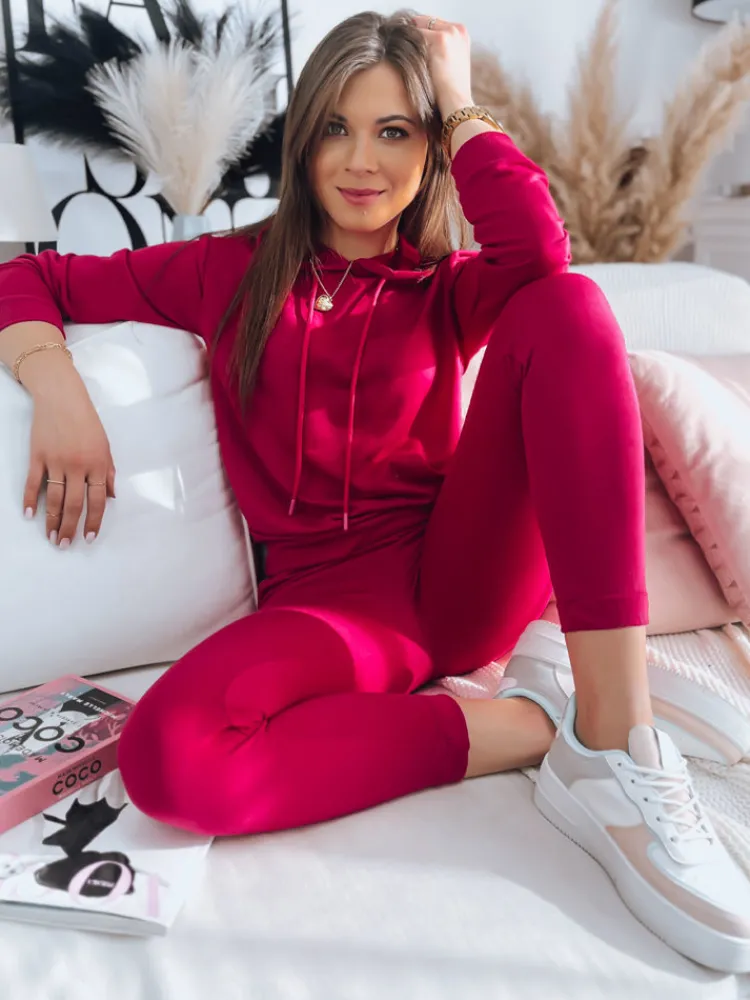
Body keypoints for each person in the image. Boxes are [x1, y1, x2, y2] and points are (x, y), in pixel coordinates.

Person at [0, 9, 748, 973]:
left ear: (431, 147)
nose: (362, 161)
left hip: (464, 577)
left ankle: (619, 735)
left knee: (568, 306)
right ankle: (535, 726)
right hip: (329, 608)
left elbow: (542, 254)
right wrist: (58, 392)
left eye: (396, 130)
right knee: (168, 762)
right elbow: (30, 279)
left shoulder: (449, 287)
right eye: (337, 129)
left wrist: (460, 100)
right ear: (303, 141)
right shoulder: (224, 272)